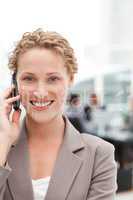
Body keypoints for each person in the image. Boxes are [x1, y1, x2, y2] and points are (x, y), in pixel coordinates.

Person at [0, 29, 117, 200]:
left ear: (70, 79)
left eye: (53, 79)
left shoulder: (98, 154)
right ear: (14, 83)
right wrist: (3, 142)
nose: (40, 92)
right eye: (29, 79)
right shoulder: (2, 148)